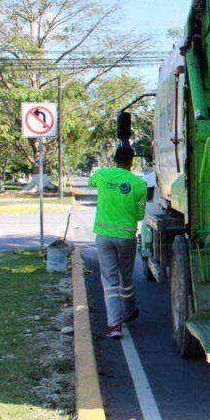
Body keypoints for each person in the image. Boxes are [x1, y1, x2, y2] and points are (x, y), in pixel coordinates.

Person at [88, 145, 147, 339]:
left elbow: (91, 182)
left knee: (109, 281)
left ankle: (115, 325)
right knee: (126, 279)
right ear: (132, 161)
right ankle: (128, 312)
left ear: (114, 159)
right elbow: (139, 214)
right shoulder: (138, 184)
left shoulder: (103, 176)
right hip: (126, 238)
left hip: (104, 237)